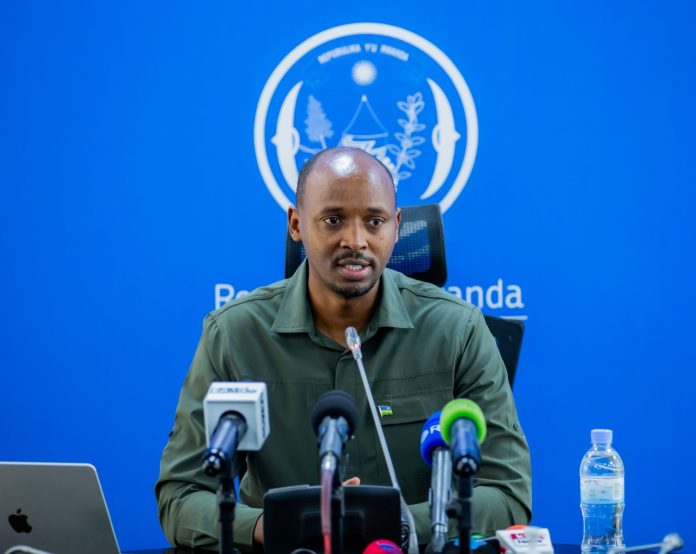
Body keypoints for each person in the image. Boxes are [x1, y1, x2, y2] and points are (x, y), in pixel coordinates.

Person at [156, 147, 531, 551]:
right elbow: (182, 495)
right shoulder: (234, 334)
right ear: (296, 224)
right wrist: (277, 524)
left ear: (396, 227)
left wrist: (394, 524)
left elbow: (506, 493)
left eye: (374, 222)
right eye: (333, 220)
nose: (355, 241)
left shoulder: (458, 330)